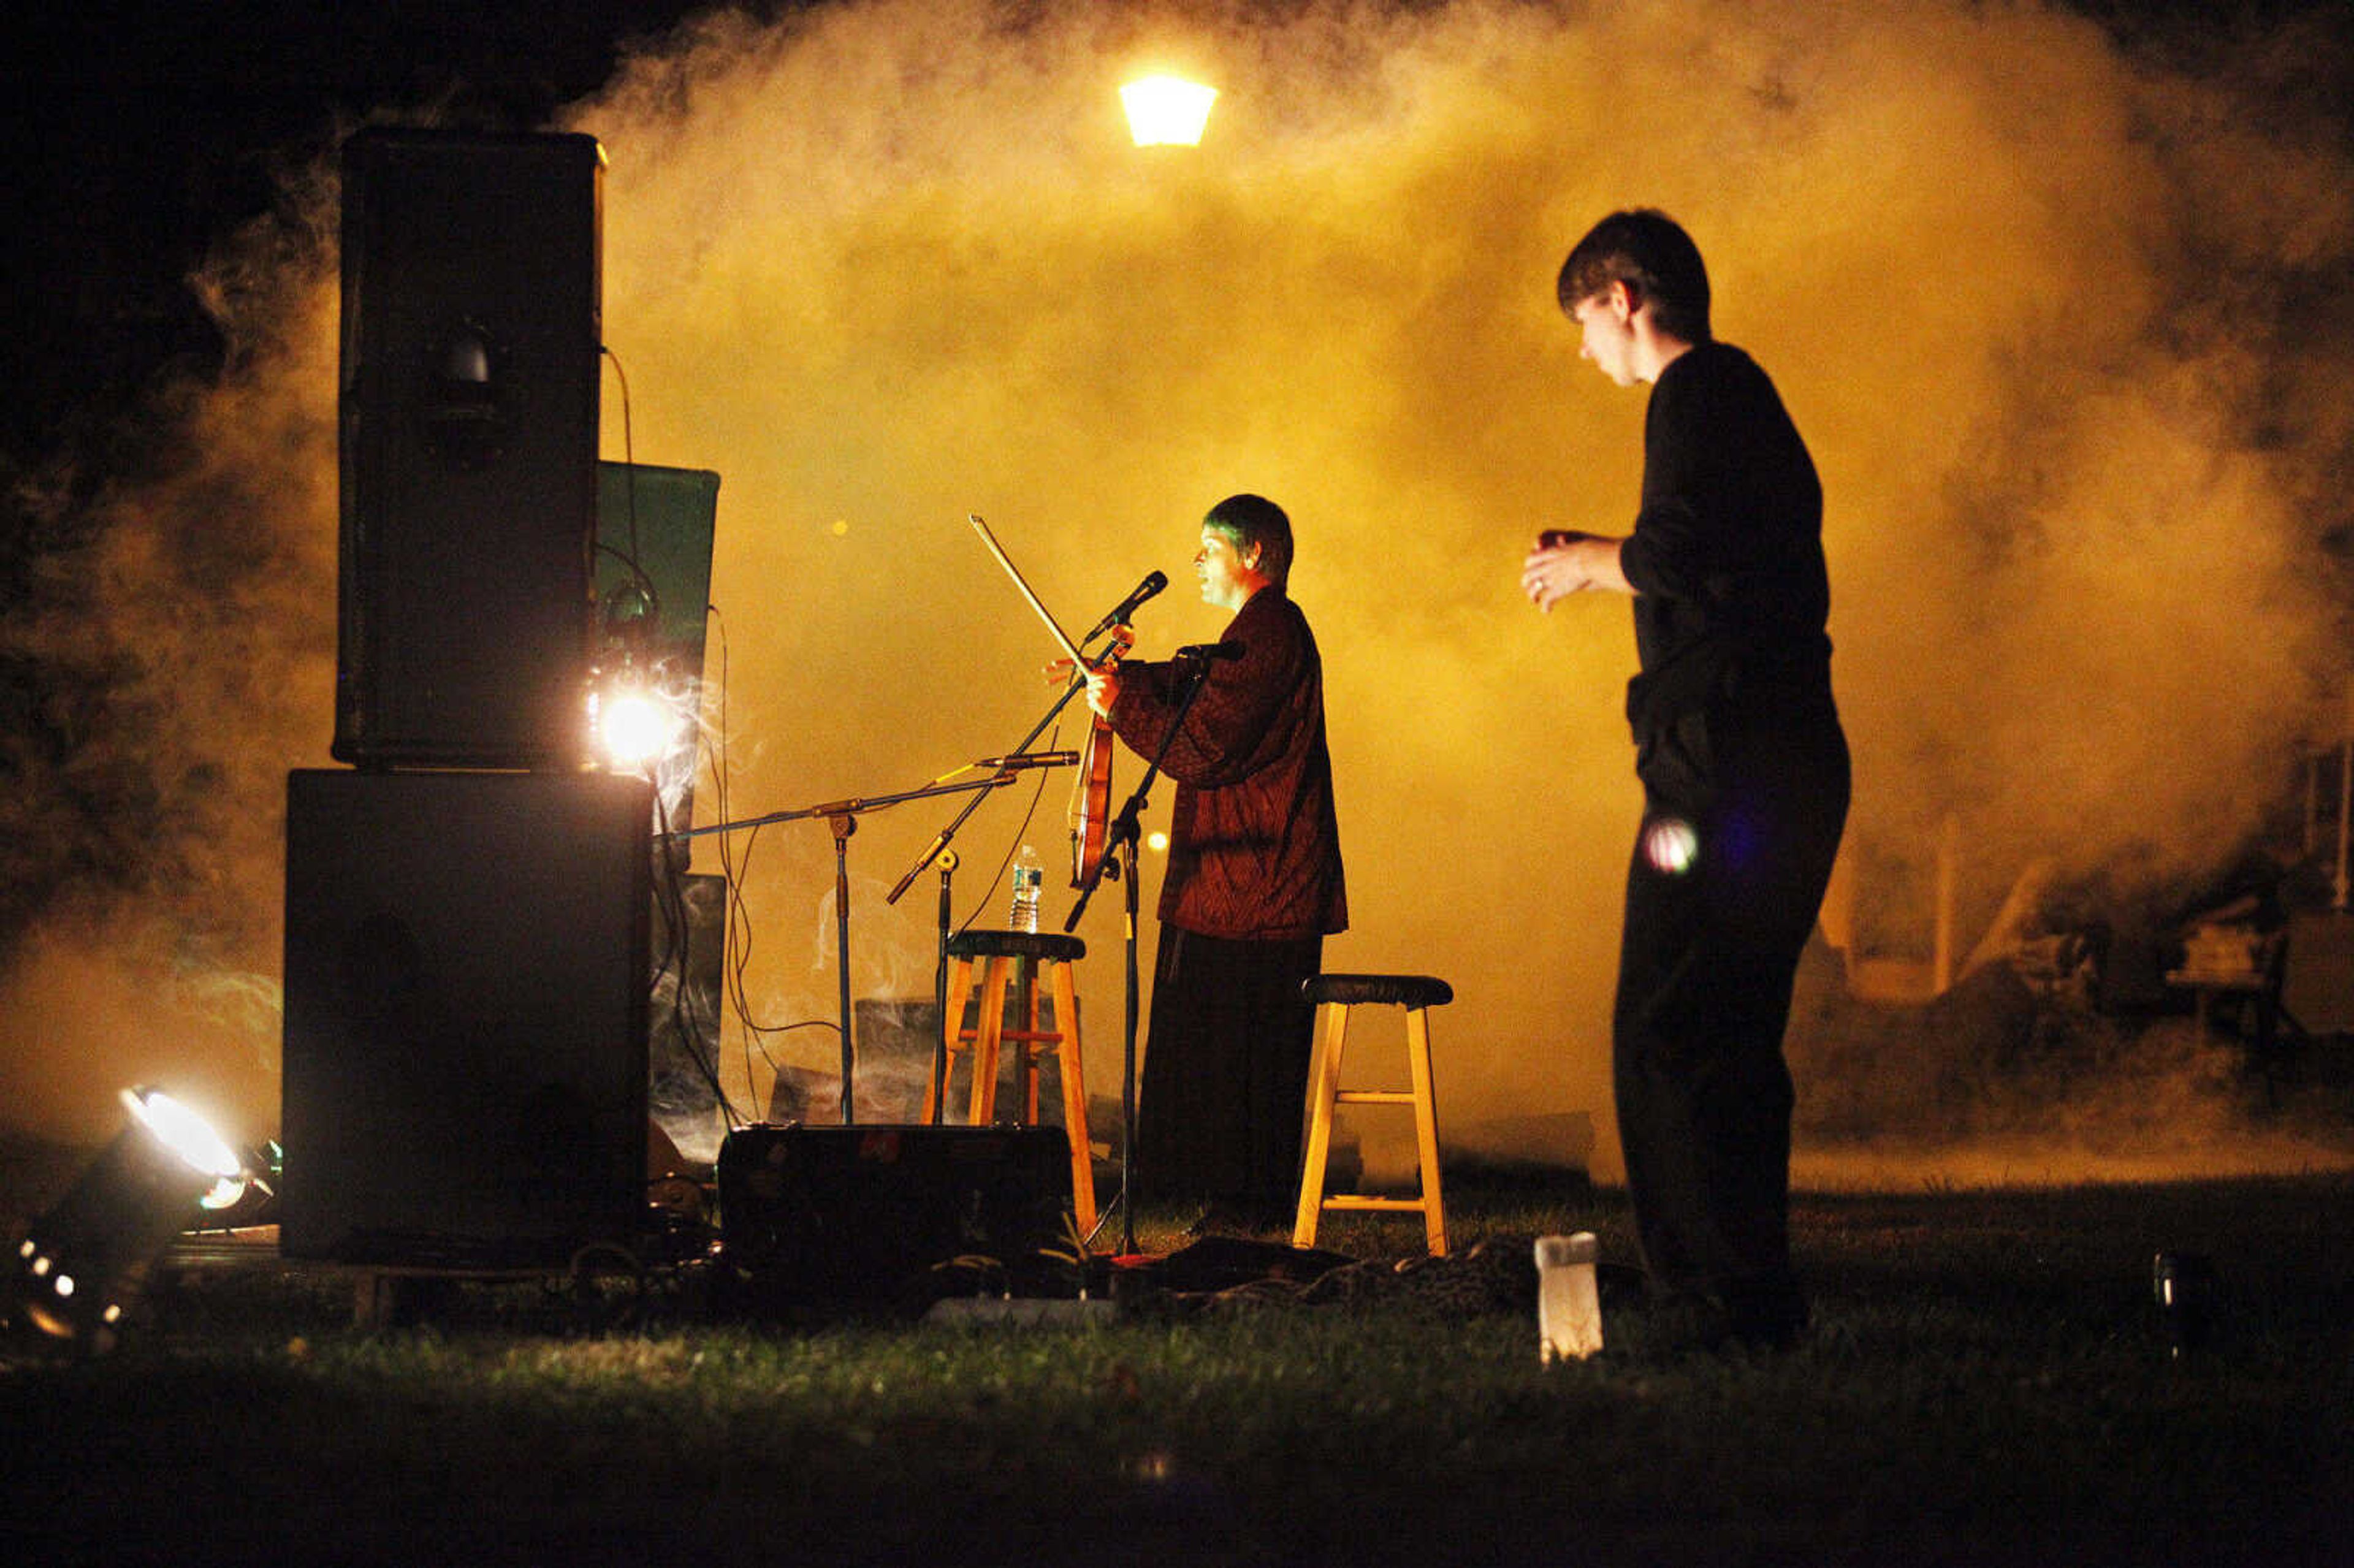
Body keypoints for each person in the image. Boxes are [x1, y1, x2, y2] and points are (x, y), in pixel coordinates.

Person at [1522, 209, 1849, 1349]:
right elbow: (1717, 558)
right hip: (1779, 752)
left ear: (1622, 296)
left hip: (1730, 761)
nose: (1584, 353)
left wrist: (1592, 564)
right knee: (1729, 1029)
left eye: (1583, 324)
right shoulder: (1735, 398)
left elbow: (1681, 553)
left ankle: (1705, 1296)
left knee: (1670, 1025)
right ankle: (1752, 1293)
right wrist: (1611, 561)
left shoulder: (1699, 387)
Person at [1086, 493, 1347, 1231]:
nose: (1197, 561)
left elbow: (1206, 744)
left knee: (1245, 1053)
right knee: (1216, 1047)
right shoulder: (1251, 634)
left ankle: (1245, 1209)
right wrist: (1126, 680)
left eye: (1210, 547)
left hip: (1261, 886)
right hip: (1234, 884)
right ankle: (1214, 1198)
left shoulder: (1274, 632)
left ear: (1254, 554)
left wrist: (1121, 708)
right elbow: (1195, 677)